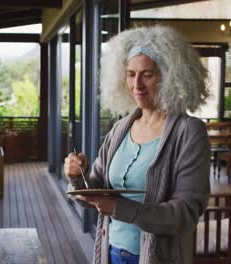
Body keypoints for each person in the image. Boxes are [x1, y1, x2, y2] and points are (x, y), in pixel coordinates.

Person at [64, 26, 211, 264]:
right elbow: (96, 192)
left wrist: (118, 207)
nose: (137, 84)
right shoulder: (121, 128)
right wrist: (76, 177)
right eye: (131, 74)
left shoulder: (189, 132)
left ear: (168, 76)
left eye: (147, 74)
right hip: (109, 253)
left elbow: (185, 214)